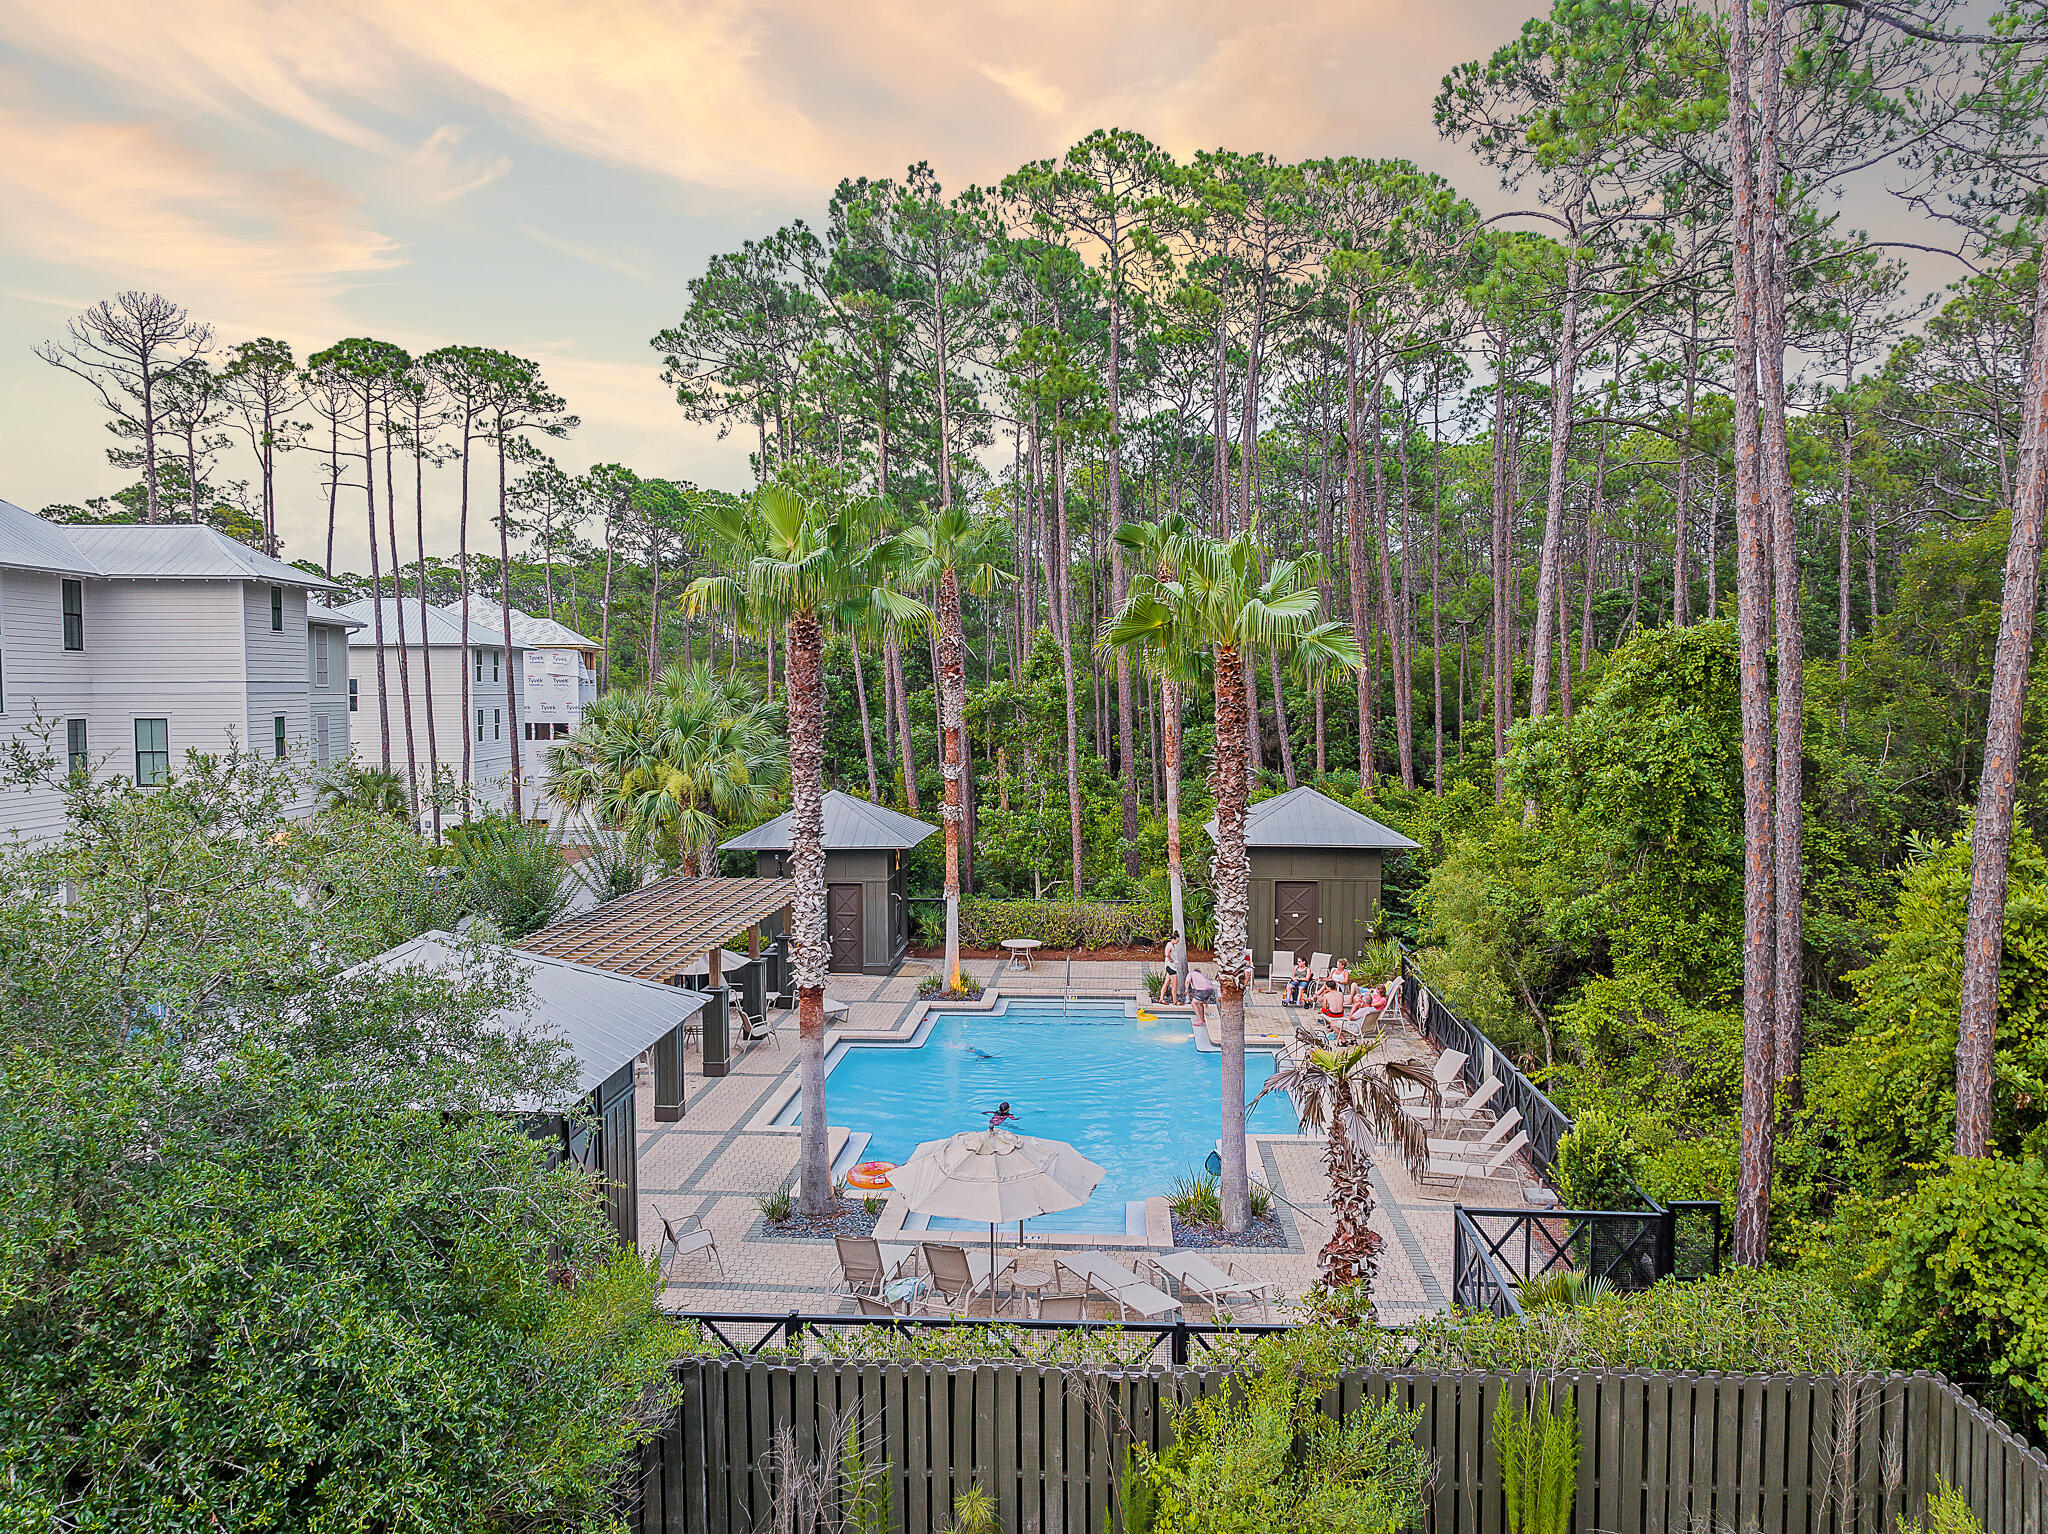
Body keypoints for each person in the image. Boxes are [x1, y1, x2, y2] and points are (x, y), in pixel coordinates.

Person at [1186, 967, 1218, 1032]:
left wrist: (1186, 990)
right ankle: (1202, 1019)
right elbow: (1209, 986)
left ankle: (1200, 1020)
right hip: (1209, 990)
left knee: (1193, 1003)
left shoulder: (1191, 973)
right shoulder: (1201, 975)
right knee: (1200, 1004)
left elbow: (1187, 981)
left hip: (1203, 990)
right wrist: (1206, 1001)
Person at [1164, 929, 1187, 1004]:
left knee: (1167, 983)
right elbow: (1167, 954)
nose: (1178, 941)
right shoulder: (1170, 945)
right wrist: (1170, 959)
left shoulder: (1172, 945)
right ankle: (1175, 1001)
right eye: (1177, 940)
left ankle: (1161, 999)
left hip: (1171, 966)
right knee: (1175, 984)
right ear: (1174, 939)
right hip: (1171, 967)